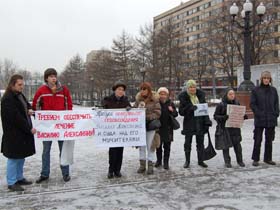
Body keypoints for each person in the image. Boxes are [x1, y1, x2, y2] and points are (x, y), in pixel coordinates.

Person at [32, 68, 73, 183]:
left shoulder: (64, 90)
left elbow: (69, 105)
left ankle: (65, 173)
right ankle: (45, 174)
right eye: (51, 76)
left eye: (54, 76)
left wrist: (67, 119)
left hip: (61, 126)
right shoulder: (41, 90)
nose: (53, 78)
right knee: (46, 151)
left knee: (63, 150)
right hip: (47, 127)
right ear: (46, 78)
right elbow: (35, 106)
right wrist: (40, 121)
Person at [1, 74, 36, 191]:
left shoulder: (19, 95)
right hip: (13, 134)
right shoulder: (7, 99)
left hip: (21, 134)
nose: (22, 87)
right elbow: (16, 118)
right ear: (12, 84)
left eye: (22, 85)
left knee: (21, 156)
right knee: (13, 158)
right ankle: (11, 182)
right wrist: (29, 128)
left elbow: (26, 105)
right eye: (19, 85)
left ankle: (19, 177)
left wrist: (30, 109)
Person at [178, 80, 212, 168]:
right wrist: (190, 108)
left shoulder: (200, 96)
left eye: (194, 87)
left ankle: (201, 160)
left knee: (200, 143)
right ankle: (187, 161)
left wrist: (207, 121)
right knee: (187, 143)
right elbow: (181, 112)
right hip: (189, 123)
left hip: (200, 123)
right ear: (187, 88)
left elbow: (205, 110)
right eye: (190, 87)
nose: (192, 89)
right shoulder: (184, 98)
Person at [102, 81, 131, 179]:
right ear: (115, 90)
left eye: (122, 90)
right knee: (112, 151)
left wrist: (129, 109)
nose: (121, 91)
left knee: (120, 151)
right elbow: (103, 110)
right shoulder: (108, 99)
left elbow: (131, 111)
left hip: (121, 130)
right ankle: (111, 170)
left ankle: (118, 170)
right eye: (119, 89)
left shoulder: (126, 100)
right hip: (112, 130)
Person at [250, 71, 279, 166]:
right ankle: (255, 159)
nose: (266, 80)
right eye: (264, 78)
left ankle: (268, 158)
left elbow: (276, 103)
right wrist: (258, 113)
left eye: (268, 78)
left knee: (269, 140)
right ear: (261, 79)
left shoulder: (273, 90)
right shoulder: (256, 90)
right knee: (257, 140)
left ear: (270, 79)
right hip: (260, 119)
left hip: (271, 119)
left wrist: (276, 114)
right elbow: (252, 104)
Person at [214, 88, 246, 168]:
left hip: (235, 128)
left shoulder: (237, 103)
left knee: (238, 146)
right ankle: (227, 162)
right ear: (226, 95)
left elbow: (239, 114)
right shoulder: (221, 105)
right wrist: (223, 117)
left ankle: (240, 161)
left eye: (233, 94)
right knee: (226, 146)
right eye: (230, 94)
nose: (232, 95)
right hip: (225, 129)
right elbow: (215, 116)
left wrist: (243, 116)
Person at [134, 82, 161, 175]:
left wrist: (148, 117)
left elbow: (158, 112)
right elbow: (134, 110)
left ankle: (150, 165)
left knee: (150, 146)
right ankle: (142, 165)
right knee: (141, 146)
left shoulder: (155, 100)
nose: (142, 91)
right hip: (140, 126)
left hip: (150, 126)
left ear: (148, 90)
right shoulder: (138, 100)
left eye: (144, 89)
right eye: (141, 89)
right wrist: (130, 110)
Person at [155, 87, 178, 170]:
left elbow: (176, 114)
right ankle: (159, 161)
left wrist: (172, 111)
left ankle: (166, 162)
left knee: (167, 147)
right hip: (158, 128)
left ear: (167, 95)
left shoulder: (170, 103)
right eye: (161, 94)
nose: (162, 96)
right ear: (158, 95)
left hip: (168, 128)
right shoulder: (156, 103)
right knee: (158, 146)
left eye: (164, 94)